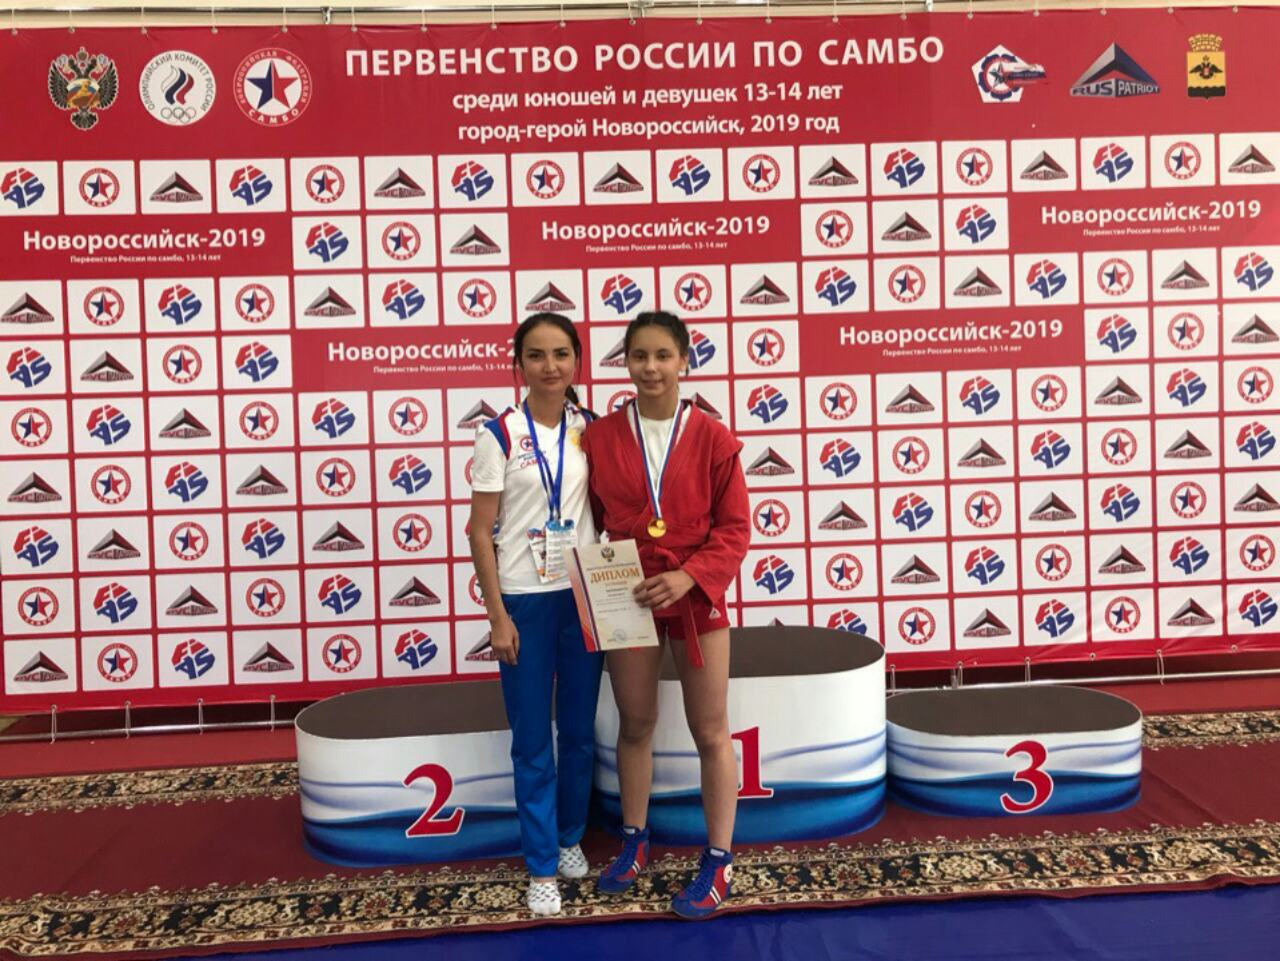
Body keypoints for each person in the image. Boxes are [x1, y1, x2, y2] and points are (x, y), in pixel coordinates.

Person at [581, 311, 751, 920]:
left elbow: (736, 528)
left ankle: (720, 858)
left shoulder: (713, 437)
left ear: (683, 360)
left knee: (711, 730)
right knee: (635, 722)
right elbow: (589, 518)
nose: (650, 367)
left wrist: (690, 576)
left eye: (662, 355)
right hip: (626, 594)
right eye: (638, 356)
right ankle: (634, 840)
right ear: (625, 362)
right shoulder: (599, 437)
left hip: (696, 593)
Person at [468, 313, 603, 917]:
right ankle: (541, 865)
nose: (550, 366)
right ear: (518, 363)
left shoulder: (592, 429)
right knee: (531, 740)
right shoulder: (498, 434)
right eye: (536, 355)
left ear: (577, 361)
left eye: (561, 354)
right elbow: (480, 531)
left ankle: (570, 837)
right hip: (524, 598)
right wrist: (498, 615)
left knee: (578, 732)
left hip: (583, 595)